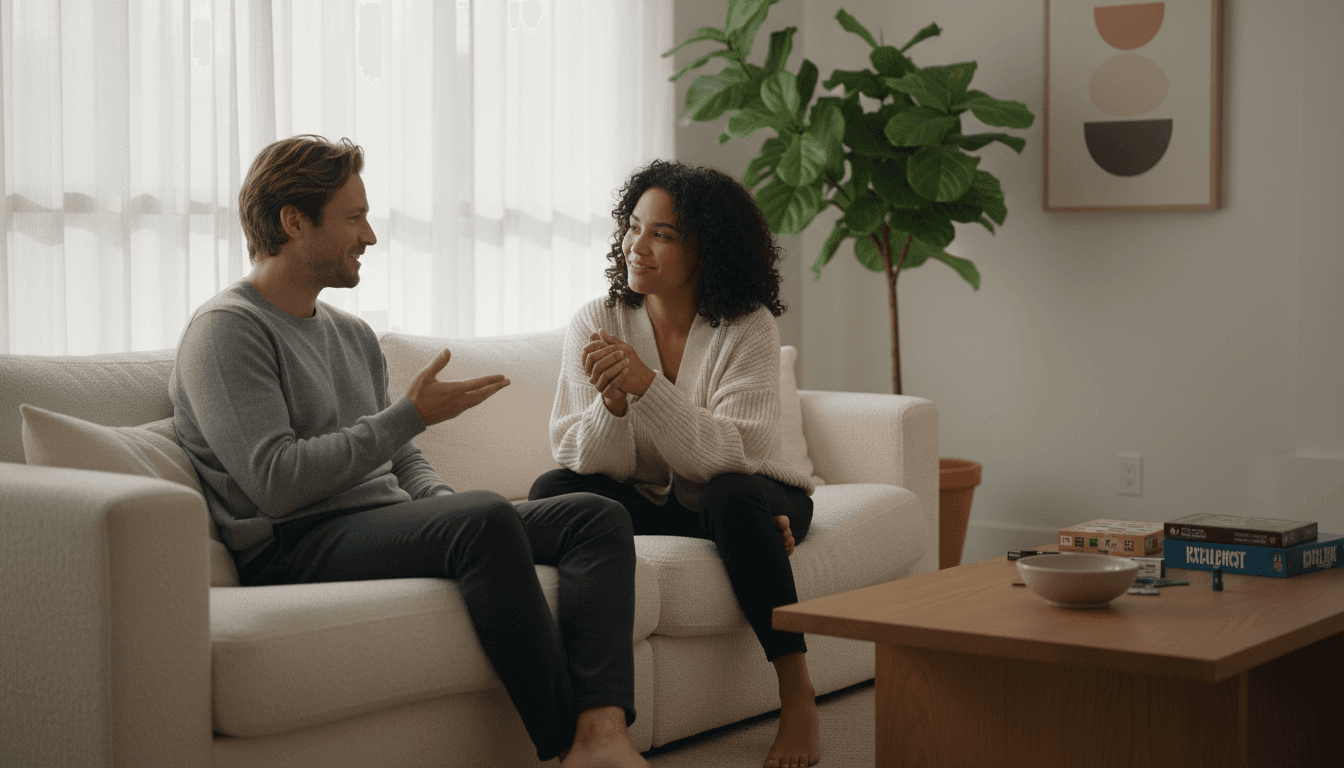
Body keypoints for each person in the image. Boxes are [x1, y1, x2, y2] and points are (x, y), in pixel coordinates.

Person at [169, 134, 650, 768]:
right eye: (353, 217)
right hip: (294, 543)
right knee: (483, 519)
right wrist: (410, 421)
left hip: (375, 524)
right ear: (293, 220)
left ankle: (602, 734)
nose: (368, 236)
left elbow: (401, 457)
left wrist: (441, 509)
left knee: (595, 516)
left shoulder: (350, 334)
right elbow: (275, 482)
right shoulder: (228, 330)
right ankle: (564, 747)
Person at [530, 160, 821, 768]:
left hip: (755, 489)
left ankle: (797, 693)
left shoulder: (746, 326)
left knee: (728, 497)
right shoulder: (598, 319)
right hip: (658, 502)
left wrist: (646, 387)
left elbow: (729, 455)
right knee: (555, 488)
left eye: (662, 234)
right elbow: (584, 458)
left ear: (708, 249)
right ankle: (749, 541)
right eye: (634, 227)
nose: (638, 246)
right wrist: (611, 407)